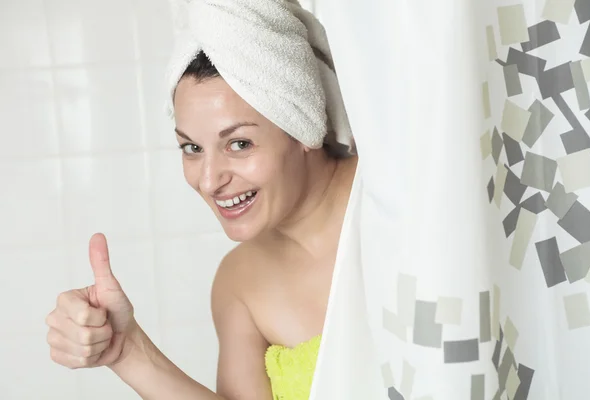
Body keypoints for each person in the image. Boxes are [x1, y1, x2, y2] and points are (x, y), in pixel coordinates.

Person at [45, 36, 357, 399]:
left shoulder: (396, 201)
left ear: (304, 124)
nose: (209, 181)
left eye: (239, 143)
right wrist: (127, 350)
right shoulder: (240, 282)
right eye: (192, 148)